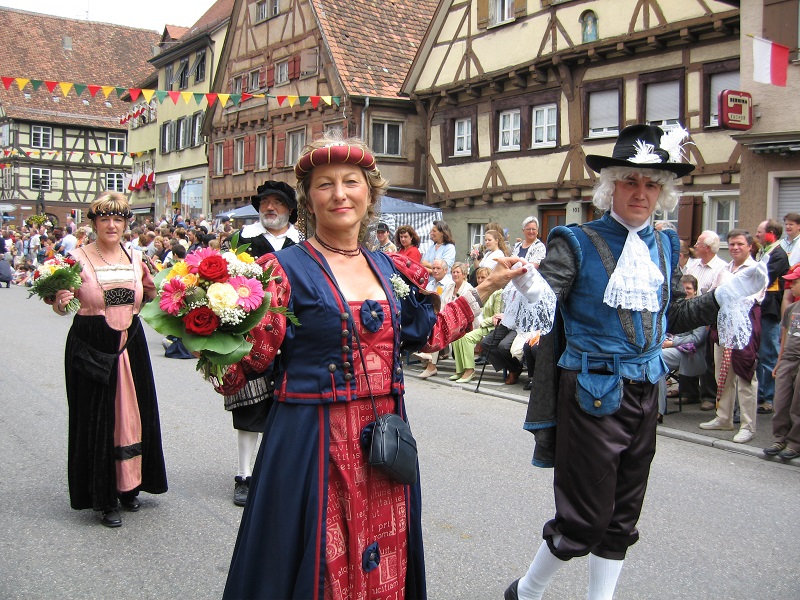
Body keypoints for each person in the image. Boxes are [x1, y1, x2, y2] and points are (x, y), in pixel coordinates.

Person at [215, 135, 520, 599]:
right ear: (309, 200)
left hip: (383, 440)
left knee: (383, 553)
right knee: (314, 558)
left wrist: (482, 290)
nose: (340, 194)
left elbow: (427, 335)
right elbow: (248, 363)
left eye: (351, 182)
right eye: (325, 185)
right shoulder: (281, 271)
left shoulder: (390, 270)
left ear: (369, 193)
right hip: (310, 441)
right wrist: (210, 335)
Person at [504, 125, 766, 600]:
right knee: (584, 519)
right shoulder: (575, 240)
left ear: (662, 192)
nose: (641, 193)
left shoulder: (665, 245)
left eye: (651, 184)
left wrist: (723, 296)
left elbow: (670, 316)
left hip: (648, 388)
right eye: (630, 182)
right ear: (611, 188)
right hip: (592, 392)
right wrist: (528, 283)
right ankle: (526, 590)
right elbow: (547, 297)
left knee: (623, 515)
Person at [51, 192, 167, 528]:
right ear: (94, 223)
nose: (112, 225)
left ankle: (130, 486)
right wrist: (60, 300)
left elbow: (149, 294)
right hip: (92, 343)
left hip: (130, 342)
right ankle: (103, 496)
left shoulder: (136, 256)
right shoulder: (75, 257)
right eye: (105, 219)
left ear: (126, 224)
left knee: (133, 414)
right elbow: (60, 305)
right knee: (98, 416)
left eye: (118, 219)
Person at [227, 180, 299, 507]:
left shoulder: (304, 244)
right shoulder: (243, 240)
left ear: (290, 209)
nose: (270, 208)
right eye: (265, 202)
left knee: (288, 410)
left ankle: (276, 475)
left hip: (294, 336)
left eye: (278, 202)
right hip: (251, 335)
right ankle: (244, 476)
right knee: (249, 408)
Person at [699, 229, 763, 444]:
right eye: (732, 244)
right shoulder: (724, 270)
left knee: (746, 377)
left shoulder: (756, 270)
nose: (735, 248)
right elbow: (714, 294)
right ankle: (724, 417)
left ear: (750, 246)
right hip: (723, 327)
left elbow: (753, 298)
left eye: (740, 244)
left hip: (745, 329)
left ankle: (748, 426)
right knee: (723, 376)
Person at [686, 230, 728, 411]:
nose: (695, 246)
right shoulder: (693, 265)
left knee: (709, 357)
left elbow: (715, 295)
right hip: (689, 314)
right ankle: (689, 391)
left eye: (699, 243)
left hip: (710, 317)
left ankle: (709, 395)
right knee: (687, 350)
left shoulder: (721, 268)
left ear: (708, 248)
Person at [656, 274, 708, 420]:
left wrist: (673, 342)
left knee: (658, 360)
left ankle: (658, 410)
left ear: (696, 291)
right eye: (683, 288)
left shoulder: (699, 309)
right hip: (670, 346)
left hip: (690, 353)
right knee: (652, 357)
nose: (686, 291)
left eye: (689, 288)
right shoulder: (676, 307)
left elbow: (697, 338)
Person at [765, 263, 800, 460]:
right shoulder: (792, 309)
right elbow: (784, 338)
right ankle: (780, 437)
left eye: (795, 282)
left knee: (797, 404)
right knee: (781, 401)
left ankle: (795, 443)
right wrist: (779, 362)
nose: (791, 286)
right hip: (788, 358)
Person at [755, 220, 790, 415]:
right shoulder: (765, 251)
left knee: (768, 353)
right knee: (762, 352)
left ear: (770, 234)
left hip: (770, 310)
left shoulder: (777, 254)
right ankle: (763, 393)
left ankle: (768, 397)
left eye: (760, 232)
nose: (757, 235)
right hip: (763, 308)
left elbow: (762, 277)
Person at [450, 266, 503, 383]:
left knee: (467, 338)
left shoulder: (497, 292)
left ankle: (470, 370)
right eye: (478, 277)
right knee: (457, 336)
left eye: (483, 277)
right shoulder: (477, 291)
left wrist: (482, 323)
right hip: (476, 323)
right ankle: (460, 370)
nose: (480, 280)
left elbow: (497, 315)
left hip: (490, 326)